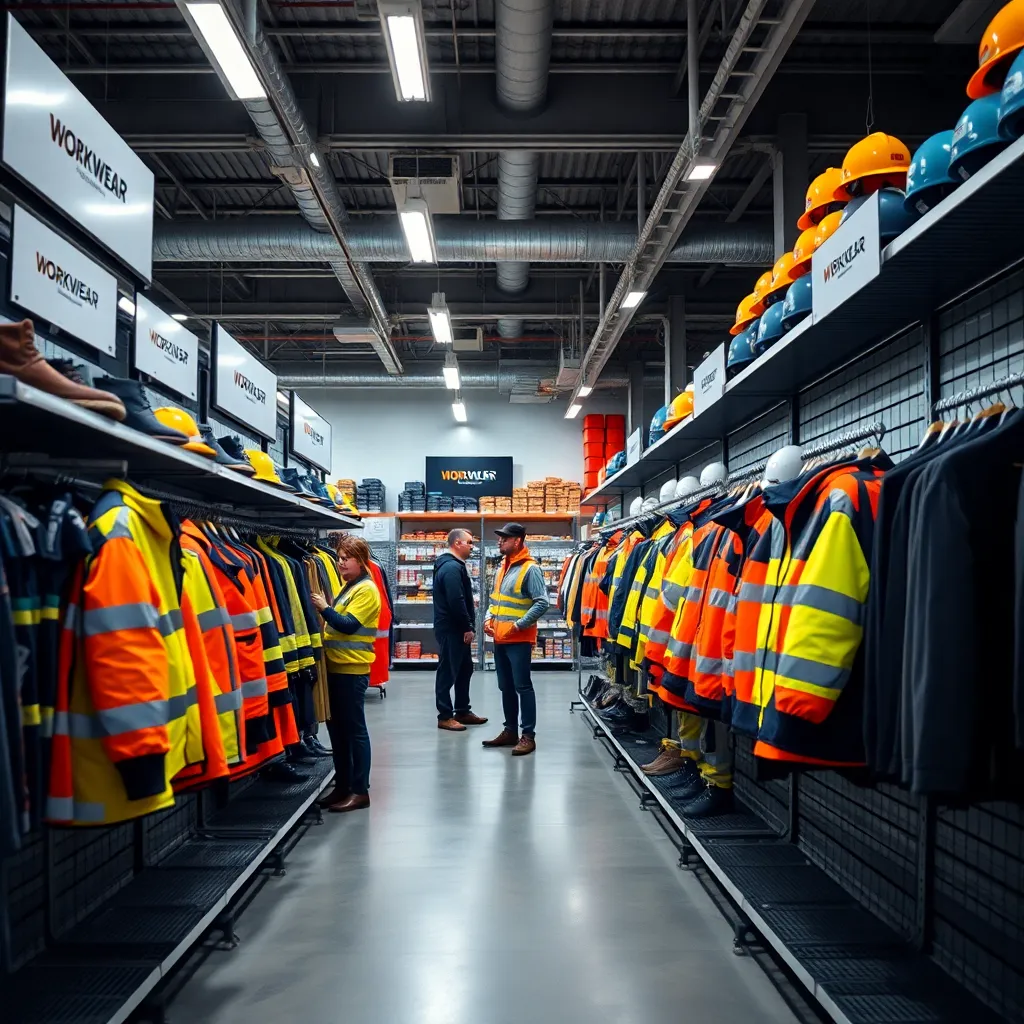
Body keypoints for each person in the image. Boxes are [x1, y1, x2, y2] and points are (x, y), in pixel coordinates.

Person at [310, 534, 381, 813]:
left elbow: (348, 625)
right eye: (338, 558)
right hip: (337, 667)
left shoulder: (366, 590)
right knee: (338, 732)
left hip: (352, 669)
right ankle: (343, 786)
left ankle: (359, 791)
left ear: (361, 561)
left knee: (354, 731)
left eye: (345, 558)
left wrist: (324, 608)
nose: (340, 563)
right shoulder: (348, 587)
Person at [482, 523, 549, 756]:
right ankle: (510, 730)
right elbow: (496, 599)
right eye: (499, 538)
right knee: (505, 687)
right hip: (500, 639)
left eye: (504, 538)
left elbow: (542, 602)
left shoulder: (531, 569)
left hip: (518, 639)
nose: (499, 542)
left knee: (522, 686)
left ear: (518, 541)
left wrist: (518, 625)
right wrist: (488, 618)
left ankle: (528, 735)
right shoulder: (503, 567)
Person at [433, 529, 488, 732]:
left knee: (465, 669)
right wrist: (467, 627)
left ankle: (462, 710)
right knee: (447, 671)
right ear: (457, 543)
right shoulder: (450, 568)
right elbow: (456, 601)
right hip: (452, 629)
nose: (472, 546)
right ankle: (445, 716)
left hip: (456, 628)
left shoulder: (454, 566)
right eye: (469, 542)